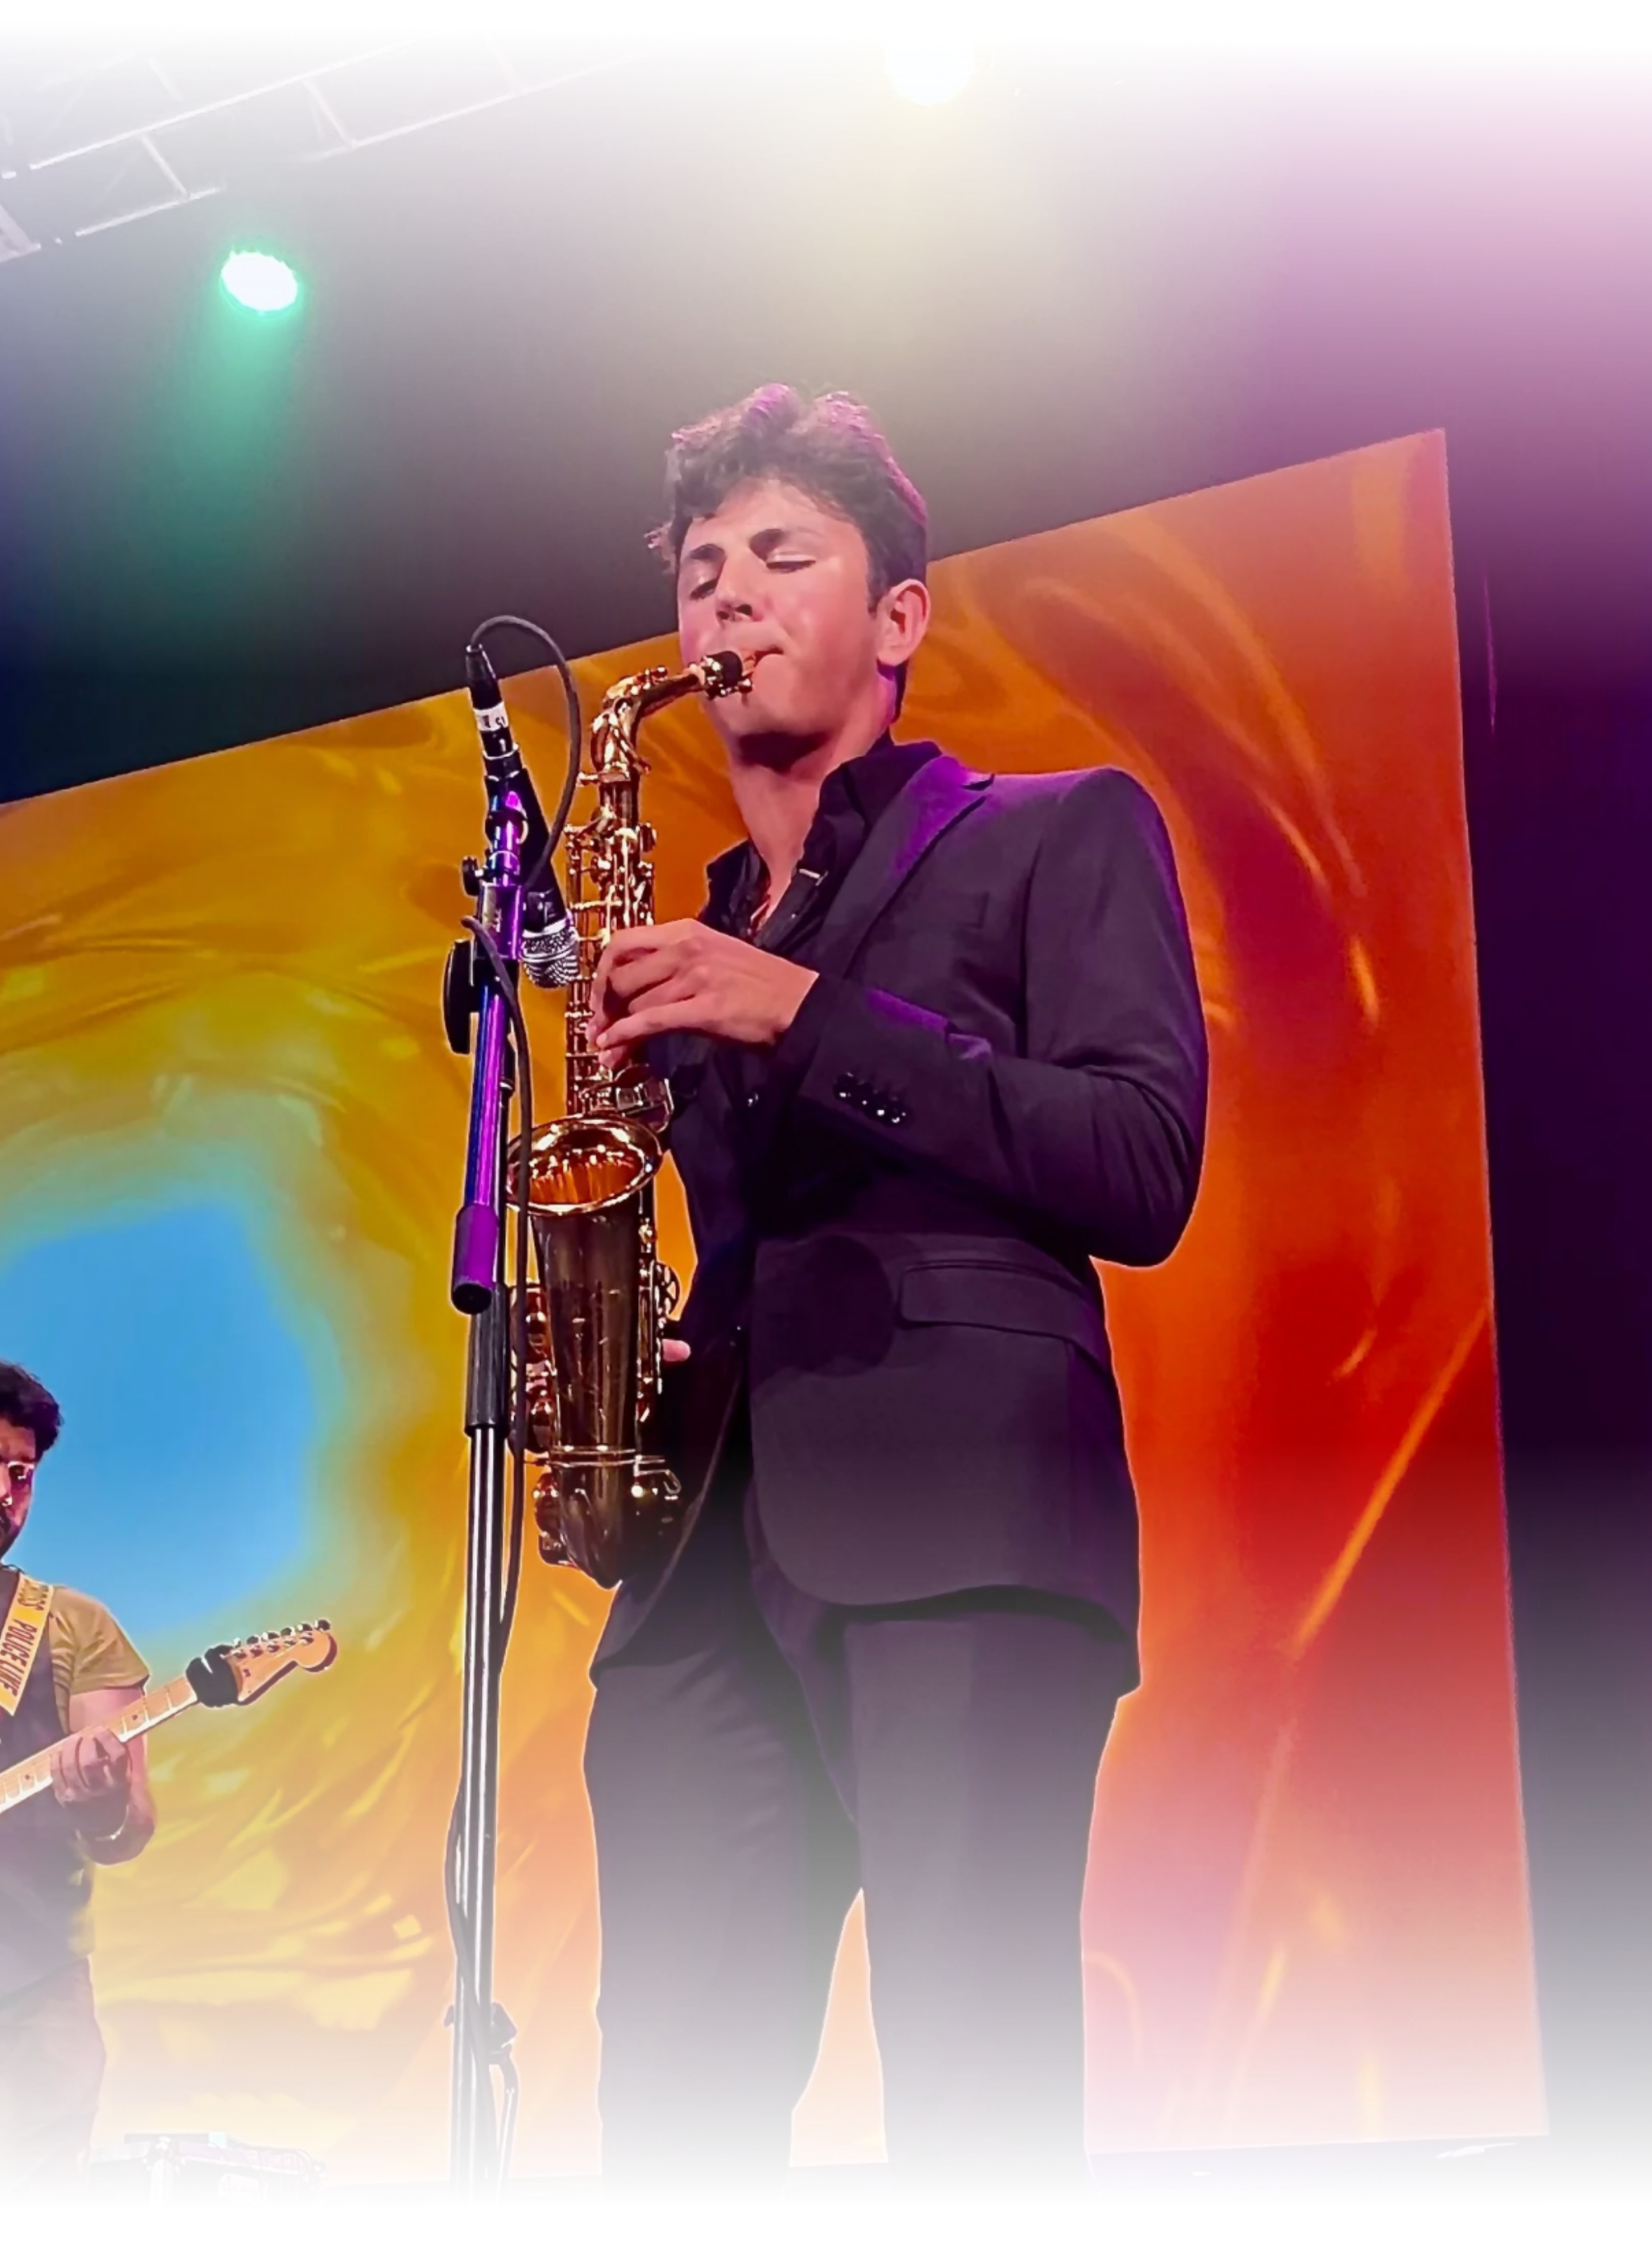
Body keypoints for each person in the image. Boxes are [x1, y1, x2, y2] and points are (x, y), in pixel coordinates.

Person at [583, 384, 1207, 2219]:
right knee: (668, 2148)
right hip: (706, 1566)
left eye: (782, 555)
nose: (729, 596)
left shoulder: (1058, 830)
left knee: (974, 2132)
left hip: (963, 1526)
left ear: (900, 617)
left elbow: (1140, 1159)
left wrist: (801, 1014)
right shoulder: (696, 933)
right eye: (702, 569)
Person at [0, 1359, 156, 2205]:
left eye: (21, 1473)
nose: (1, 1491)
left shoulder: (70, 1625)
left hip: (23, 2009)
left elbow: (128, 1828)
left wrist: (104, 1798)